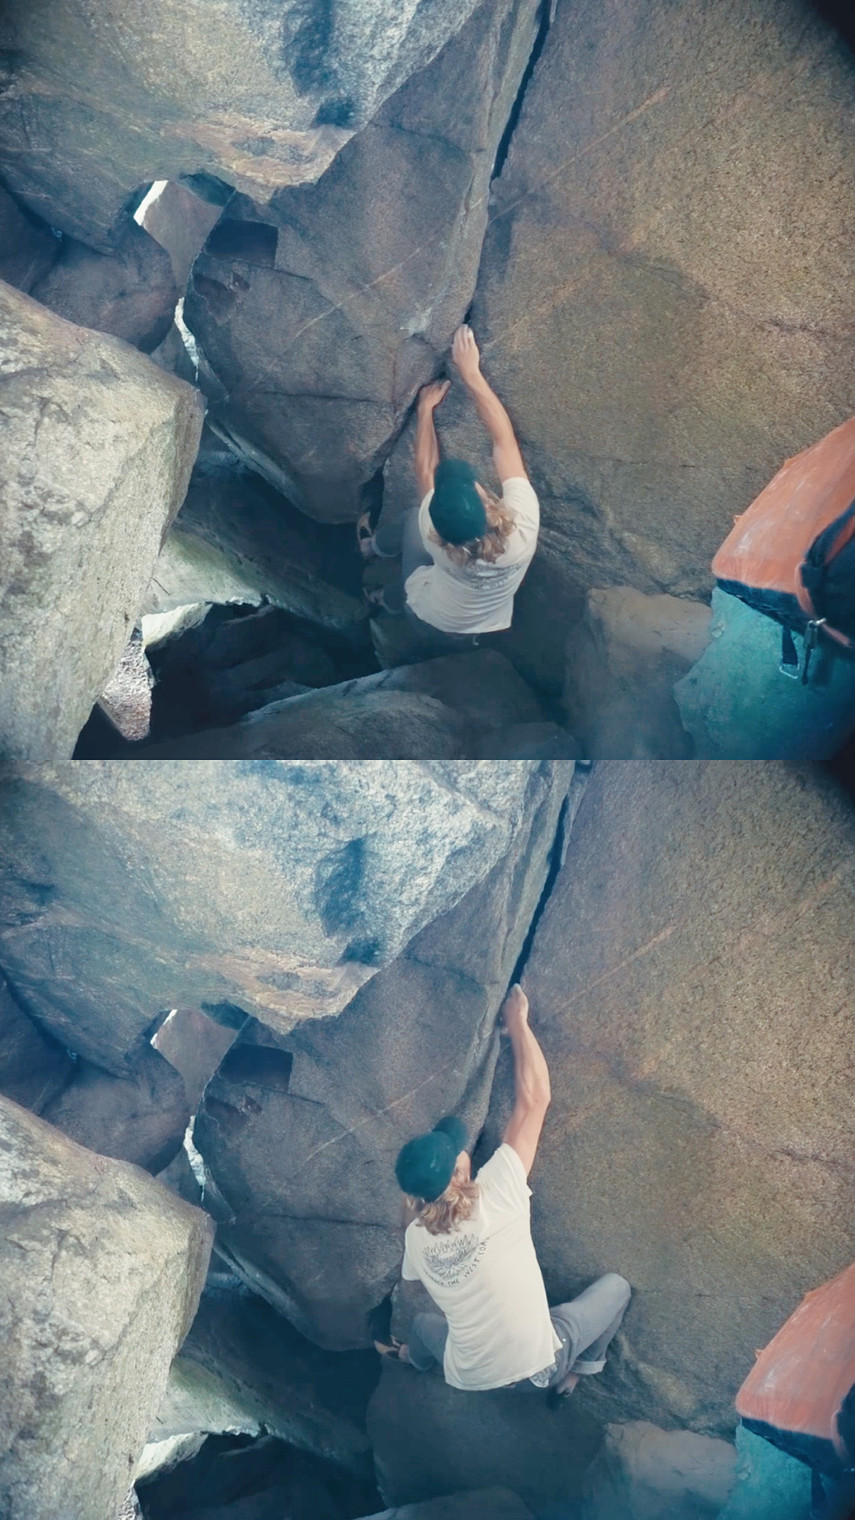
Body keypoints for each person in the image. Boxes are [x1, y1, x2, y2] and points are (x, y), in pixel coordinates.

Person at [376, 984, 631, 1400]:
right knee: (617, 1288)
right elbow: (536, 1100)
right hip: (540, 1369)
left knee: (422, 1328)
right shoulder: (498, 1193)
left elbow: (414, 1273)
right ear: (460, 1171)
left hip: (469, 1375)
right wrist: (517, 1021)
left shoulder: (417, 1242)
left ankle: (408, 1357)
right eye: (459, 1152)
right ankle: (578, 1371)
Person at [359, 325, 540, 647]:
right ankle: (385, 595)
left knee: (412, 531)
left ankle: (375, 559)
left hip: (428, 614)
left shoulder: (435, 538)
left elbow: (425, 468)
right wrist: (471, 374)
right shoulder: (524, 527)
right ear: (487, 502)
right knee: (435, 592)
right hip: (479, 625)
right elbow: (505, 443)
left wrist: (424, 410)